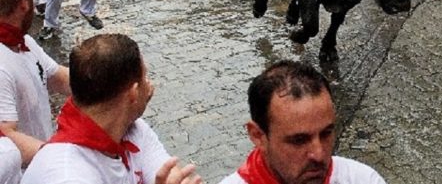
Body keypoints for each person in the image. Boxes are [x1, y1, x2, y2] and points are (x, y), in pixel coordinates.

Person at [20, 34, 202, 184]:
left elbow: (170, 175)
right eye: (145, 78)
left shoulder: (132, 128)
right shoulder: (67, 175)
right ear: (133, 92)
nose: (150, 85)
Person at [219, 60, 387, 184]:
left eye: (326, 133)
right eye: (299, 140)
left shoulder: (361, 179)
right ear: (258, 136)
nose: (319, 154)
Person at [0, 0, 70, 167]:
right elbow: (5, 135)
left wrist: (112, 83)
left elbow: (57, 77)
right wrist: (60, 160)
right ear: (24, 4)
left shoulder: (25, 43)